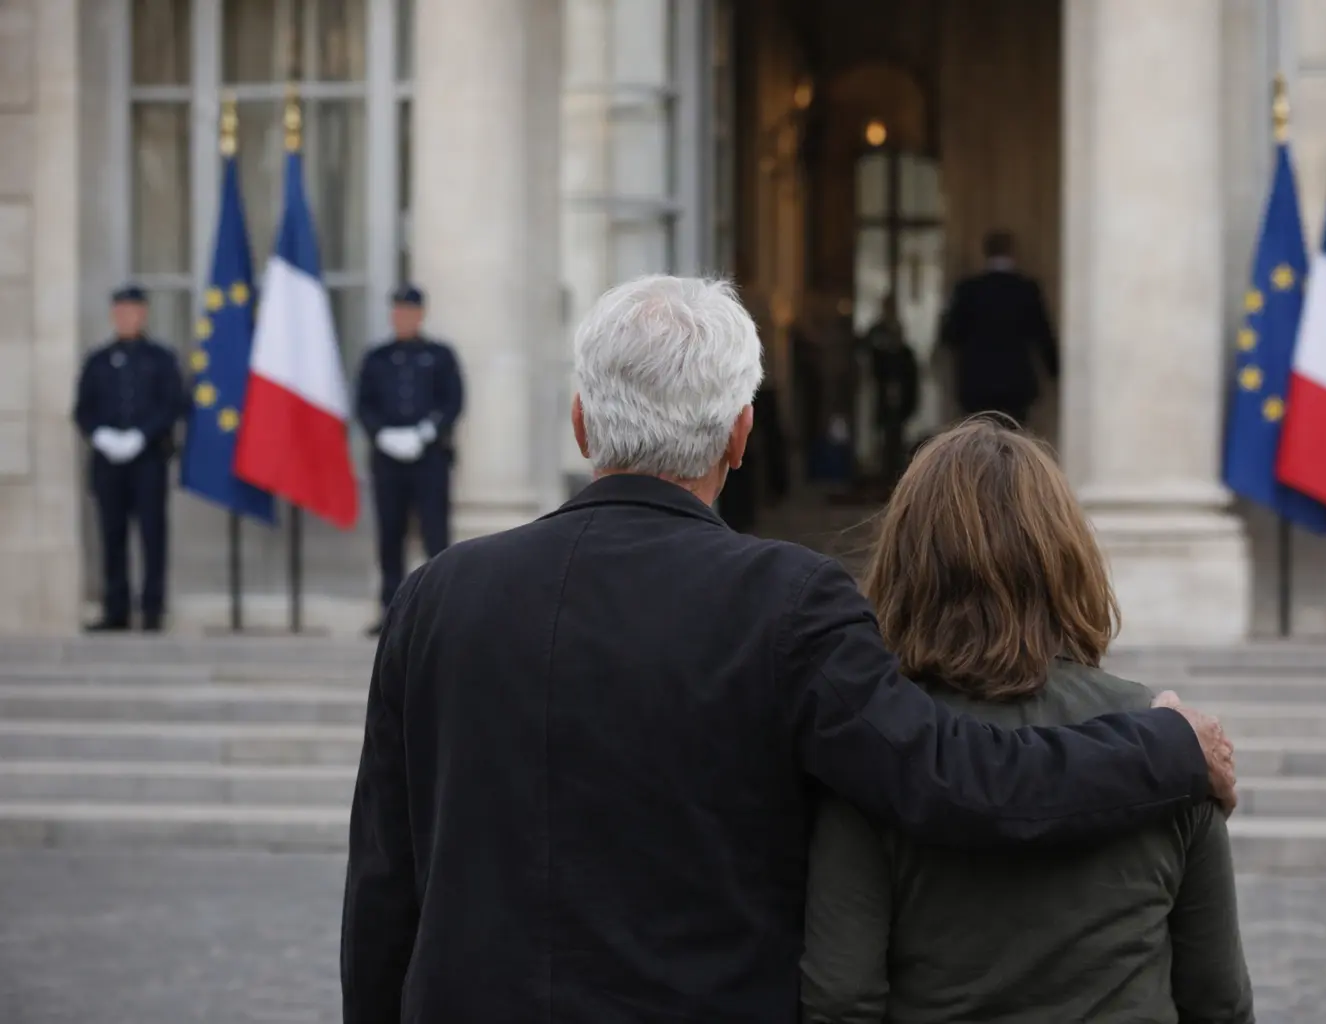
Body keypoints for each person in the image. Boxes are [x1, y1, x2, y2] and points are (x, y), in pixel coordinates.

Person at [341, 276, 1237, 1023]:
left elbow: (383, 891)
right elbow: (955, 779)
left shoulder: (435, 598)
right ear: (741, 432)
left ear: (581, 423)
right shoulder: (787, 602)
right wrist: (1166, 745)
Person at [801, 417, 1254, 1024]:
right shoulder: (1174, 744)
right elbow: (1218, 1000)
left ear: (907, 567)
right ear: (1068, 559)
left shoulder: (875, 757)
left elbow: (840, 998)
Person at [71, 284, 186, 632]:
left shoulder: (161, 359)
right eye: (120, 312)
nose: (126, 318)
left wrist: (142, 435)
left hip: (148, 459)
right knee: (112, 534)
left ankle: (152, 609)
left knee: (152, 534)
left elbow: (173, 404)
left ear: (143, 314)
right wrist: (101, 435)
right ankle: (116, 609)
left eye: (132, 311)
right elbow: (83, 409)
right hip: (108, 463)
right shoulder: (98, 360)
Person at [355, 285, 463, 637]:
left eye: (408, 311)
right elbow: (364, 404)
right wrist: (382, 433)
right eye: (397, 311)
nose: (402, 317)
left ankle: (439, 610)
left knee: (434, 533)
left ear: (420, 314)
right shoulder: (377, 358)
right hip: (388, 460)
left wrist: (428, 431)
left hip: (429, 457)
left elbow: (453, 401)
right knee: (390, 533)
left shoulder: (440, 355)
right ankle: (390, 609)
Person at [940, 230, 1059, 423]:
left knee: (978, 441)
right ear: (1012, 252)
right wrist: (1057, 372)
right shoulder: (1026, 289)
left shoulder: (968, 289)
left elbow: (951, 335)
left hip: (976, 383)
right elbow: (1043, 335)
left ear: (985, 252)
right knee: (1014, 442)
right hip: (1016, 383)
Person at [861, 293, 920, 488]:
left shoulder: (903, 350)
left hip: (899, 393)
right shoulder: (878, 334)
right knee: (885, 434)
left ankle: (893, 475)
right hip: (883, 390)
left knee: (895, 435)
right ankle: (884, 475)